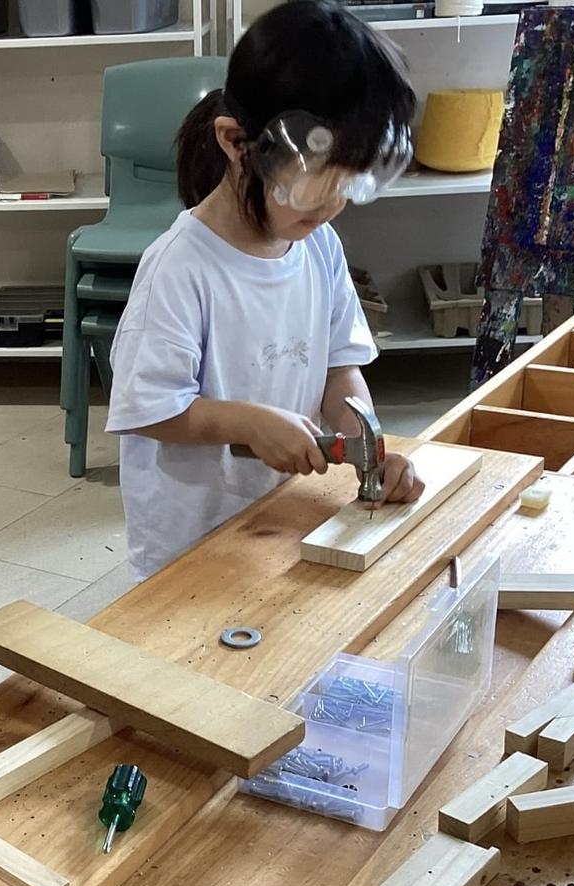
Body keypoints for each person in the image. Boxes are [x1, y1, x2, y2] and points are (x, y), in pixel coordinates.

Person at [107, 0, 426, 581]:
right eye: (312, 189)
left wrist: (368, 449)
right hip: (188, 542)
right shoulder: (179, 269)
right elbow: (149, 409)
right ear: (236, 143)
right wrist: (249, 423)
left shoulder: (319, 246)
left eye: (348, 188)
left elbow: (339, 370)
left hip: (276, 518)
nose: (330, 209)